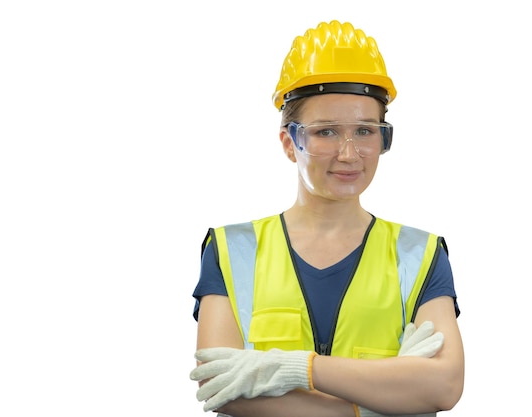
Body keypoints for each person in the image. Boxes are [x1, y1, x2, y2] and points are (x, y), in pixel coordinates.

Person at [189, 20, 464, 417]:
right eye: (327, 132)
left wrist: (298, 369)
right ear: (290, 142)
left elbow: (444, 385)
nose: (350, 154)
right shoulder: (231, 250)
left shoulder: (419, 255)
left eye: (365, 131)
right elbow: (221, 387)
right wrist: (386, 400)